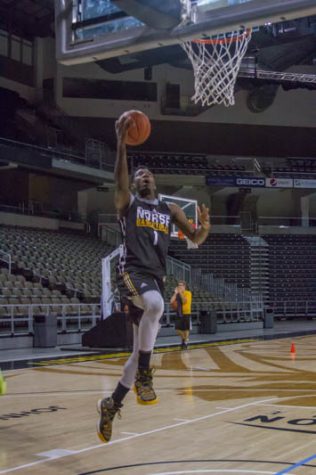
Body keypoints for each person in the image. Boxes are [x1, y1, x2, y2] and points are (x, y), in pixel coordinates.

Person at [97, 112, 210, 443]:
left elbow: (196, 239)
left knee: (137, 349)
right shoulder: (127, 203)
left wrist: (205, 227)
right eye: (138, 175)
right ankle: (146, 377)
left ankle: (111, 403)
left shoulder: (169, 209)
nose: (143, 176)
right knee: (156, 305)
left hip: (155, 279)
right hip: (131, 273)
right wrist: (120, 142)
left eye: (147, 174)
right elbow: (119, 180)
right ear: (133, 184)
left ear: (155, 181)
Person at [170, 280, 192, 350]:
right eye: (178, 285)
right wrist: (175, 293)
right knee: (178, 329)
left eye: (181, 285)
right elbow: (171, 301)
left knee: (186, 329)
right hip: (179, 312)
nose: (179, 286)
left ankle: (185, 343)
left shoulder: (188, 293)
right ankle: (184, 339)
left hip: (186, 313)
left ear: (184, 286)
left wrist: (180, 293)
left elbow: (184, 301)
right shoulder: (177, 294)